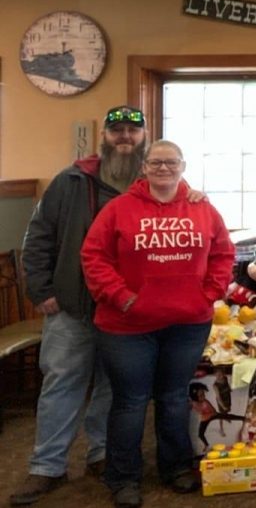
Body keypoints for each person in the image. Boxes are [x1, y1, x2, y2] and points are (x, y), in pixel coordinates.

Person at [81, 139, 235, 508]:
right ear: (144, 167)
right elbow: (94, 256)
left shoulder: (203, 208)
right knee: (131, 401)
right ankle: (123, 478)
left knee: (172, 397)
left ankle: (176, 467)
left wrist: (208, 294)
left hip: (187, 322)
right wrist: (122, 296)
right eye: (155, 162)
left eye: (171, 162)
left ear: (182, 166)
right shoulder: (119, 209)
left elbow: (223, 253)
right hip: (126, 326)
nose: (163, 168)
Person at [11, 105, 148, 506]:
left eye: (132, 132)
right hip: (72, 307)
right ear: (104, 135)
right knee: (62, 386)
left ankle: (102, 456)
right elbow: (38, 238)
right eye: (117, 130)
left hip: (127, 310)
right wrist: (41, 291)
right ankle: (46, 467)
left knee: (113, 387)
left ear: (145, 137)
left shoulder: (154, 180)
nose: (125, 137)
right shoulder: (70, 181)